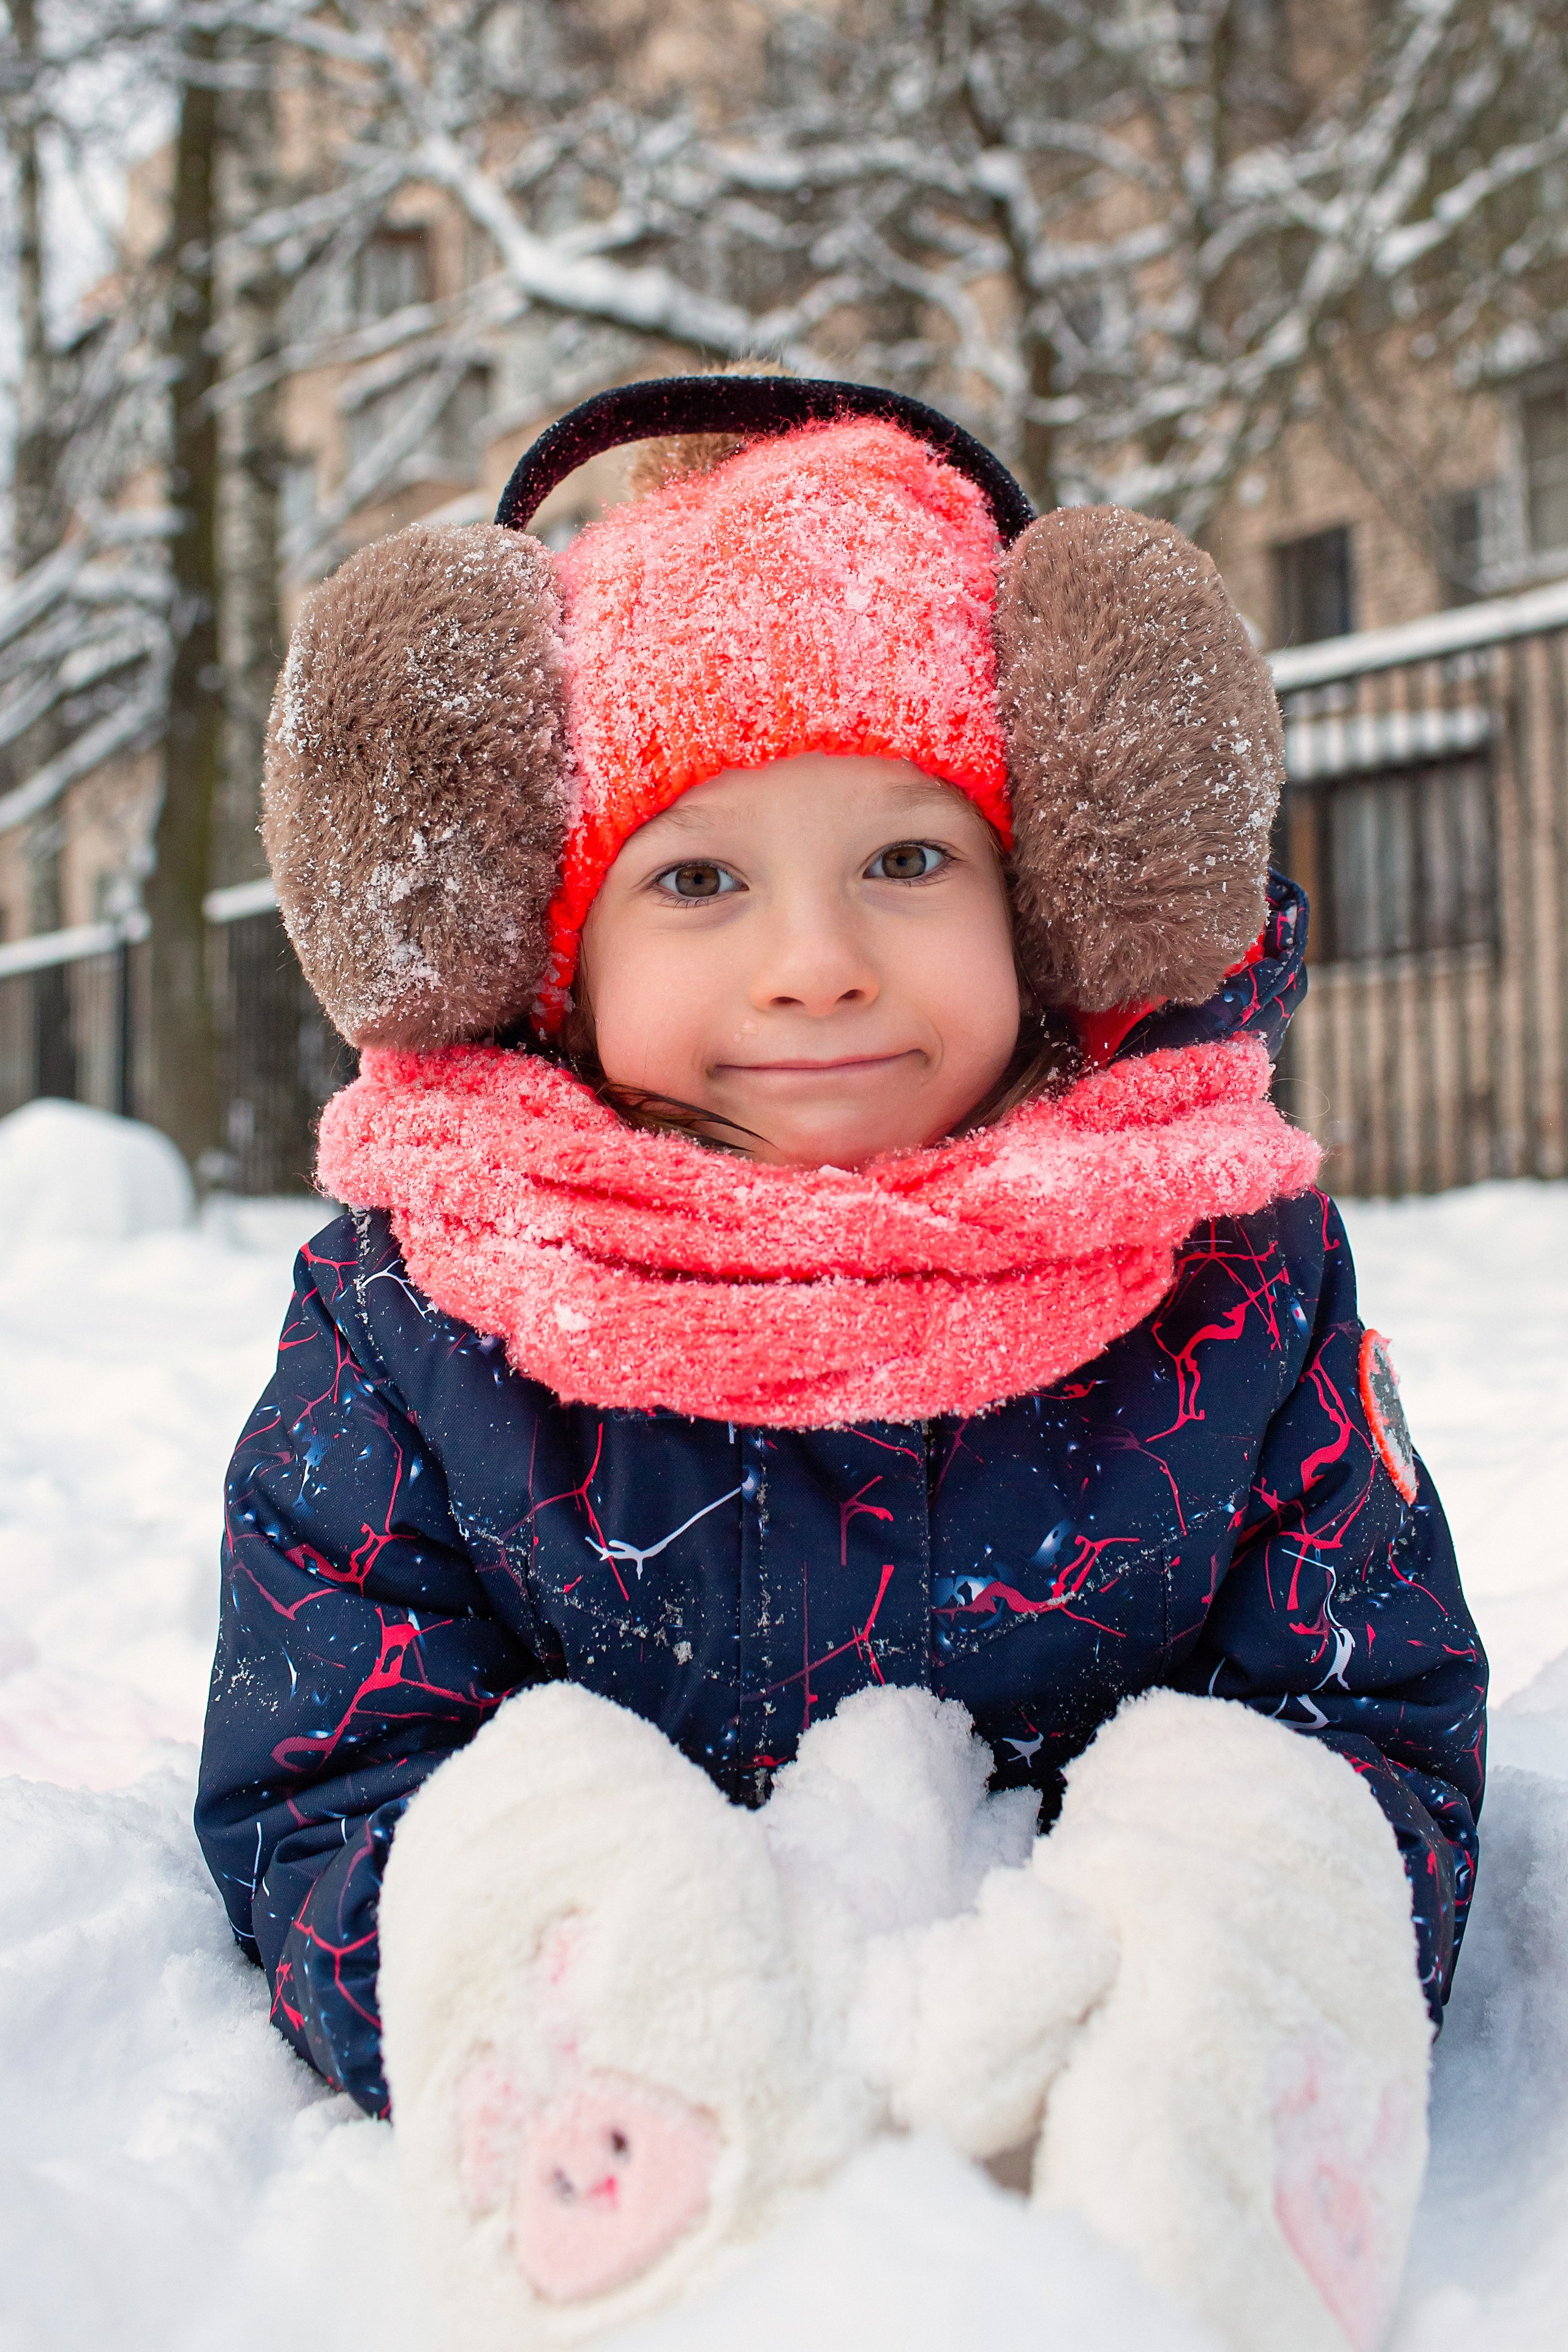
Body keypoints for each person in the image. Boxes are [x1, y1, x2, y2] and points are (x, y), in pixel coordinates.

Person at [197, 375, 1485, 2348]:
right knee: (516, 1819)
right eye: (698, 879)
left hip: (1103, 2012)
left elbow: (1368, 1702)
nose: (816, 959)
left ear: (1051, 906)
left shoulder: (1225, 1267)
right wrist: (567, 1946)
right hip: (656, 2041)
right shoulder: (423, 1308)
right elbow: (330, 1766)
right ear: (558, 962)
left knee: (1263, 1832)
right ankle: (660, 2252)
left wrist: (1174, 1942)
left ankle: (1202, 2216)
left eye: (907, 859)